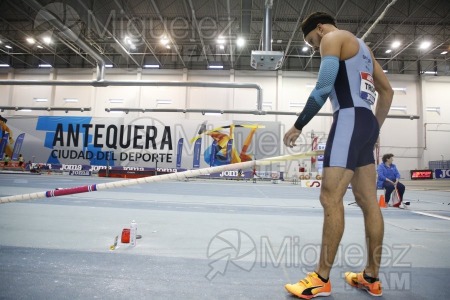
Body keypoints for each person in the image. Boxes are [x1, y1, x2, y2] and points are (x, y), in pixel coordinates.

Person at [283, 12, 393, 298]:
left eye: (311, 41)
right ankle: (371, 277)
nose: (313, 46)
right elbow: (388, 92)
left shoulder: (331, 38)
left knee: (330, 197)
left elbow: (323, 87)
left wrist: (298, 125)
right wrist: (371, 129)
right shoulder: (364, 49)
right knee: (370, 203)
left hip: (348, 119)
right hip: (366, 122)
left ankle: (320, 278)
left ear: (320, 29)